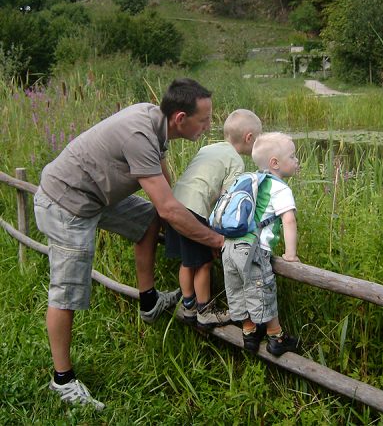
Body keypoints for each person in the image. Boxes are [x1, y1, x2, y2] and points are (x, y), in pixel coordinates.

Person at [34, 78, 224, 409]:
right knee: (67, 291)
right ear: (181, 118)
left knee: (147, 217)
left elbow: (166, 193)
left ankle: (149, 301)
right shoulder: (140, 136)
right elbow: (168, 208)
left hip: (95, 197)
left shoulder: (156, 123)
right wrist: (217, 240)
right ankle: (61, 381)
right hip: (66, 202)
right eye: (204, 120)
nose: (208, 127)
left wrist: (189, 213)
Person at [166, 109, 262, 328]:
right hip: (194, 209)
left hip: (174, 203)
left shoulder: (209, 147)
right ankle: (205, 310)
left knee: (187, 260)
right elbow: (227, 203)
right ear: (249, 138)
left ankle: (188, 305)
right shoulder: (236, 162)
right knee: (203, 263)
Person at [221, 132, 301, 357]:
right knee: (262, 288)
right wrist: (290, 254)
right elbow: (289, 219)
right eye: (293, 156)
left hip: (229, 246)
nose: (297, 161)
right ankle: (276, 338)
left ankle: (249, 333)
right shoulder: (280, 188)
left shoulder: (250, 179)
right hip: (252, 249)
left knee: (239, 289)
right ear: (275, 163)